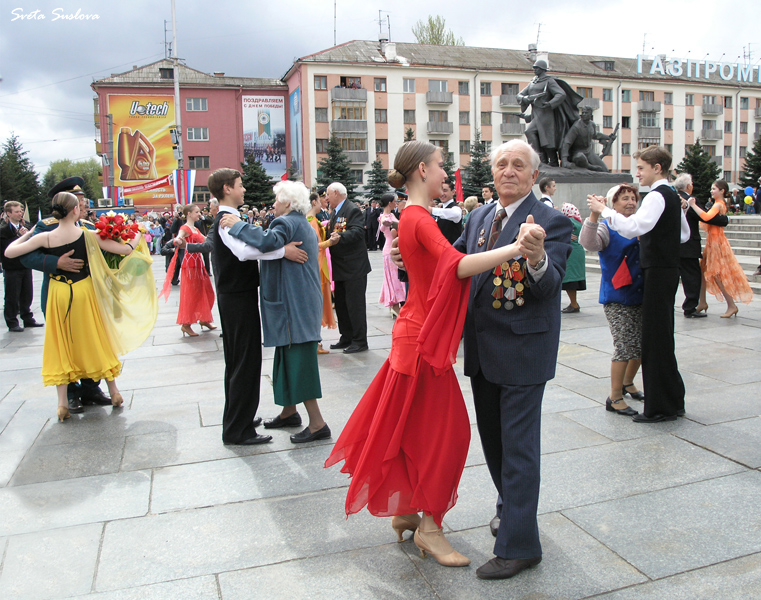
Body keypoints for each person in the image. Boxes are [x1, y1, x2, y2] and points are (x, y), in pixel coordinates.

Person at [325, 140, 538, 569]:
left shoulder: (412, 217)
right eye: (441, 166)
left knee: (413, 431)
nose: (446, 174)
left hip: (414, 336)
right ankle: (430, 528)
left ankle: (407, 512)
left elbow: (437, 262)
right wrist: (517, 248)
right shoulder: (418, 218)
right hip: (421, 341)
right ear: (422, 170)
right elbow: (456, 265)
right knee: (449, 435)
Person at [452, 139, 572, 580]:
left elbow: (548, 286)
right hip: (483, 350)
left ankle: (520, 545)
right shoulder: (480, 216)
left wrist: (537, 257)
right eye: (501, 164)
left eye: (518, 165)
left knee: (519, 448)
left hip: (523, 351)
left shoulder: (551, 221)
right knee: (495, 444)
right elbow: (459, 262)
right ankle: (511, 509)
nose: (508, 171)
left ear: (533, 175)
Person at [4, 192, 149, 422]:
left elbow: (10, 252)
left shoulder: (47, 236)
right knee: (95, 337)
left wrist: (28, 234)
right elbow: (125, 250)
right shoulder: (88, 234)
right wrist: (138, 235)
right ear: (74, 210)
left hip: (58, 293)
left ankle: (63, 403)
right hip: (84, 290)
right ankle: (114, 391)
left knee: (62, 342)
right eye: (80, 205)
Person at [204, 168, 307, 446]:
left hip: (237, 294)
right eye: (240, 185)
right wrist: (282, 251)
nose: (244, 190)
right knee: (244, 362)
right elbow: (243, 252)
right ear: (227, 188)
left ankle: (240, 418)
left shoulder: (228, 217)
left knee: (239, 360)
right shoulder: (227, 219)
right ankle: (238, 430)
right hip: (237, 296)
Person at [221, 181, 329, 443]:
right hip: (296, 304)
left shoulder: (285, 223)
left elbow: (267, 241)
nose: (274, 204)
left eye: (278, 200)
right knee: (285, 358)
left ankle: (317, 424)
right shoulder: (299, 221)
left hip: (294, 306)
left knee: (299, 363)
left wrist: (238, 225)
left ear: (289, 203)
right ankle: (289, 412)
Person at [588, 145, 690, 423]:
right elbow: (683, 233)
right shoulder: (672, 194)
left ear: (657, 168)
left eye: (642, 168)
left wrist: (604, 210)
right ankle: (673, 399)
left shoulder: (658, 195)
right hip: (668, 270)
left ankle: (660, 408)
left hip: (657, 271)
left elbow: (634, 228)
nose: (638, 173)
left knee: (655, 341)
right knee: (662, 337)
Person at [20, 177, 113, 413]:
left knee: (90, 337)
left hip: (87, 292)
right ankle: (71, 393)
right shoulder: (47, 226)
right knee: (67, 341)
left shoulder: (89, 227)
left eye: (83, 201)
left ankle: (92, 387)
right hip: (58, 293)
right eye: (79, 201)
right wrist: (55, 262)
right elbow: (24, 256)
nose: (83, 206)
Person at [580, 184, 643, 416]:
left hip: (641, 292)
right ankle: (614, 397)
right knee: (624, 345)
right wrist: (596, 213)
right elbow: (587, 243)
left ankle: (628, 383)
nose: (630, 202)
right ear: (612, 204)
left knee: (640, 345)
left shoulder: (639, 223)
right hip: (617, 296)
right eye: (624, 198)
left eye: (633, 198)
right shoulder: (608, 227)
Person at [688, 180, 753, 317]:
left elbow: (705, 217)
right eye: (711, 189)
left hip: (716, 242)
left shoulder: (718, 204)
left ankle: (731, 305)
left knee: (715, 274)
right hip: (713, 241)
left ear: (722, 191)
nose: (711, 191)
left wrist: (693, 205)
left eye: (714, 189)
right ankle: (703, 302)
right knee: (703, 271)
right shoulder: (717, 204)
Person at [325, 182, 371, 354]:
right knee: (342, 304)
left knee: (355, 305)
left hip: (354, 267)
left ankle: (360, 340)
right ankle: (346, 336)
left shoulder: (352, 209)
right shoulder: (335, 212)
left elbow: (358, 232)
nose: (327, 198)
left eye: (328, 194)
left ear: (336, 193)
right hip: (341, 266)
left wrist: (340, 237)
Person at [674, 173, 729, 318]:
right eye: (691, 182)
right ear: (688, 186)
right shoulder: (689, 200)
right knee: (691, 277)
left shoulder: (672, 198)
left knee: (674, 277)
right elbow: (704, 217)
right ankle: (690, 307)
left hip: (673, 245)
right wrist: (724, 220)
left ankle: (696, 304)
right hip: (689, 245)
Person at [160, 204, 216, 337]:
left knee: (205, 290)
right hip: (190, 264)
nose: (199, 214)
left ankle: (204, 318)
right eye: (197, 212)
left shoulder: (195, 228)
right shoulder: (185, 228)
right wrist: (179, 240)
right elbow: (179, 236)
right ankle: (186, 324)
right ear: (189, 214)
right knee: (191, 293)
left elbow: (206, 240)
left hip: (198, 264)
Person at [517, 59, 582, 166]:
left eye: (537, 68)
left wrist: (550, 104)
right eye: (534, 68)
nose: (535, 70)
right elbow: (519, 95)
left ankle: (552, 162)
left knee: (547, 140)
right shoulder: (533, 82)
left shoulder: (549, 81)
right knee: (532, 134)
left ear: (542, 69)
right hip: (536, 115)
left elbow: (561, 94)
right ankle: (540, 160)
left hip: (547, 116)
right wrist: (526, 98)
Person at [1, 201, 43, 332]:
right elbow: (6, 250)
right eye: (17, 211)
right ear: (9, 213)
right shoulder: (4, 231)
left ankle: (27, 318)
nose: (20, 214)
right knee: (12, 296)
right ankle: (12, 321)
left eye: (21, 211)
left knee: (27, 294)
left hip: (25, 265)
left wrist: (28, 235)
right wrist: (18, 237)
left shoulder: (27, 227)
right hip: (12, 267)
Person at [305, 191, 337, 354]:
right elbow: (315, 246)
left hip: (320, 266)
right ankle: (315, 342)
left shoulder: (312, 221)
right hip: (317, 267)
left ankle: (316, 341)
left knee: (318, 303)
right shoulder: (311, 222)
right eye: (319, 200)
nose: (322, 201)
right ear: (313, 202)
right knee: (316, 304)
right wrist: (330, 242)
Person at [377, 192, 406, 317]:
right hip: (389, 251)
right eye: (394, 201)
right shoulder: (384, 216)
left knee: (396, 278)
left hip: (396, 248)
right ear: (390, 203)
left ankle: (395, 304)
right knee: (394, 279)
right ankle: (394, 305)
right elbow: (384, 223)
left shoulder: (392, 215)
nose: (396, 203)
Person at [560, 203, 586, 313]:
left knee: (569, 280)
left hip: (571, 253)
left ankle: (574, 304)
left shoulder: (568, 221)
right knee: (572, 280)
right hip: (577, 251)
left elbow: (559, 232)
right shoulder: (578, 221)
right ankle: (573, 303)